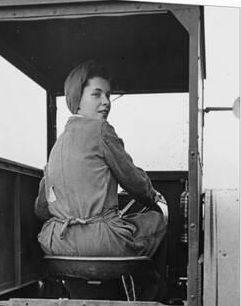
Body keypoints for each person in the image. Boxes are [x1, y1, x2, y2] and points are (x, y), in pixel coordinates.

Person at [34, 60, 166, 261]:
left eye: (108, 95)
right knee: (159, 219)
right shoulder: (101, 130)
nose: (106, 102)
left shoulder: (57, 146)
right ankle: (150, 290)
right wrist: (153, 198)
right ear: (77, 100)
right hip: (102, 243)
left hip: (56, 242)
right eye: (97, 94)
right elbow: (135, 184)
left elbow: (41, 210)